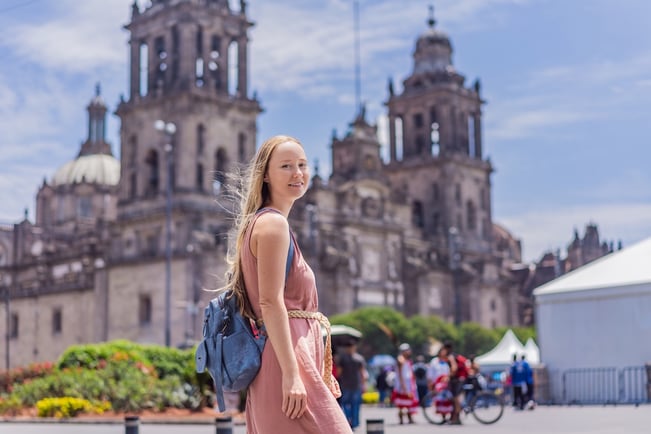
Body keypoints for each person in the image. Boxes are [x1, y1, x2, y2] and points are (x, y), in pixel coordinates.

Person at [224, 135, 352, 433]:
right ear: (265, 175)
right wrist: (292, 374)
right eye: (286, 166)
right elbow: (270, 302)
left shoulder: (269, 223)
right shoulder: (273, 225)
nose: (298, 173)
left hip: (289, 359)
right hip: (287, 363)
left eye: (302, 165)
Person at [335, 340, 366, 429]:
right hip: (356, 385)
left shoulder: (342, 358)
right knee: (355, 405)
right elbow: (363, 373)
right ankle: (355, 422)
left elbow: (339, 373)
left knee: (346, 404)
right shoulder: (359, 358)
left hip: (346, 385)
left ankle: (348, 421)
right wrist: (363, 385)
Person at [392, 343, 419, 424]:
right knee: (401, 403)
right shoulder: (400, 359)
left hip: (409, 384)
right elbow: (400, 374)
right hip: (402, 385)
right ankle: (401, 419)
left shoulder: (408, 360)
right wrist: (403, 385)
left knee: (409, 402)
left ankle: (410, 417)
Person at [443, 341, 468, 425]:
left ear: (446, 348)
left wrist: (448, 376)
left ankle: (457, 417)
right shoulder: (455, 355)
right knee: (456, 398)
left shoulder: (451, 356)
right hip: (460, 379)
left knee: (455, 398)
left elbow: (454, 368)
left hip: (456, 380)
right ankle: (456, 417)